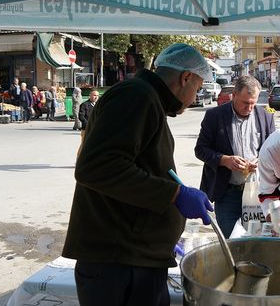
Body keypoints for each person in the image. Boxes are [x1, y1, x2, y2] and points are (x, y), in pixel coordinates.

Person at [62, 43, 214, 306]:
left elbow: (138, 167)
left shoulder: (147, 98)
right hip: (118, 263)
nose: (194, 99)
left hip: (136, 256)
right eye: (198, 89)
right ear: (185, 78)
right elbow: (96, 166)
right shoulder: (137, 96)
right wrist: (175, 194)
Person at [195, 75, 276, 237]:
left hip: (258, 192)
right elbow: (201, 149)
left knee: (258, 240)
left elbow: (272, 149)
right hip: (227, 193)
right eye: (246, 103)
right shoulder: (214, 116)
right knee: (232, 240)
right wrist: (224, 160)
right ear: (234, 95)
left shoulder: (266, 116)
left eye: (253, 103)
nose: (250, 108)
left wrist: (262, 161)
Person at [77, 89, 99, 157]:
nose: (96, 97)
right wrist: (89, 125)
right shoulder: (84, 105)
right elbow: (81, 117)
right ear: (90, 96)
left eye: (97, 95)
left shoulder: (98, 105)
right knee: (84, 145)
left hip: (96, 129)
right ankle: (79, 161)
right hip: (86, 129)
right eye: (94, 95)